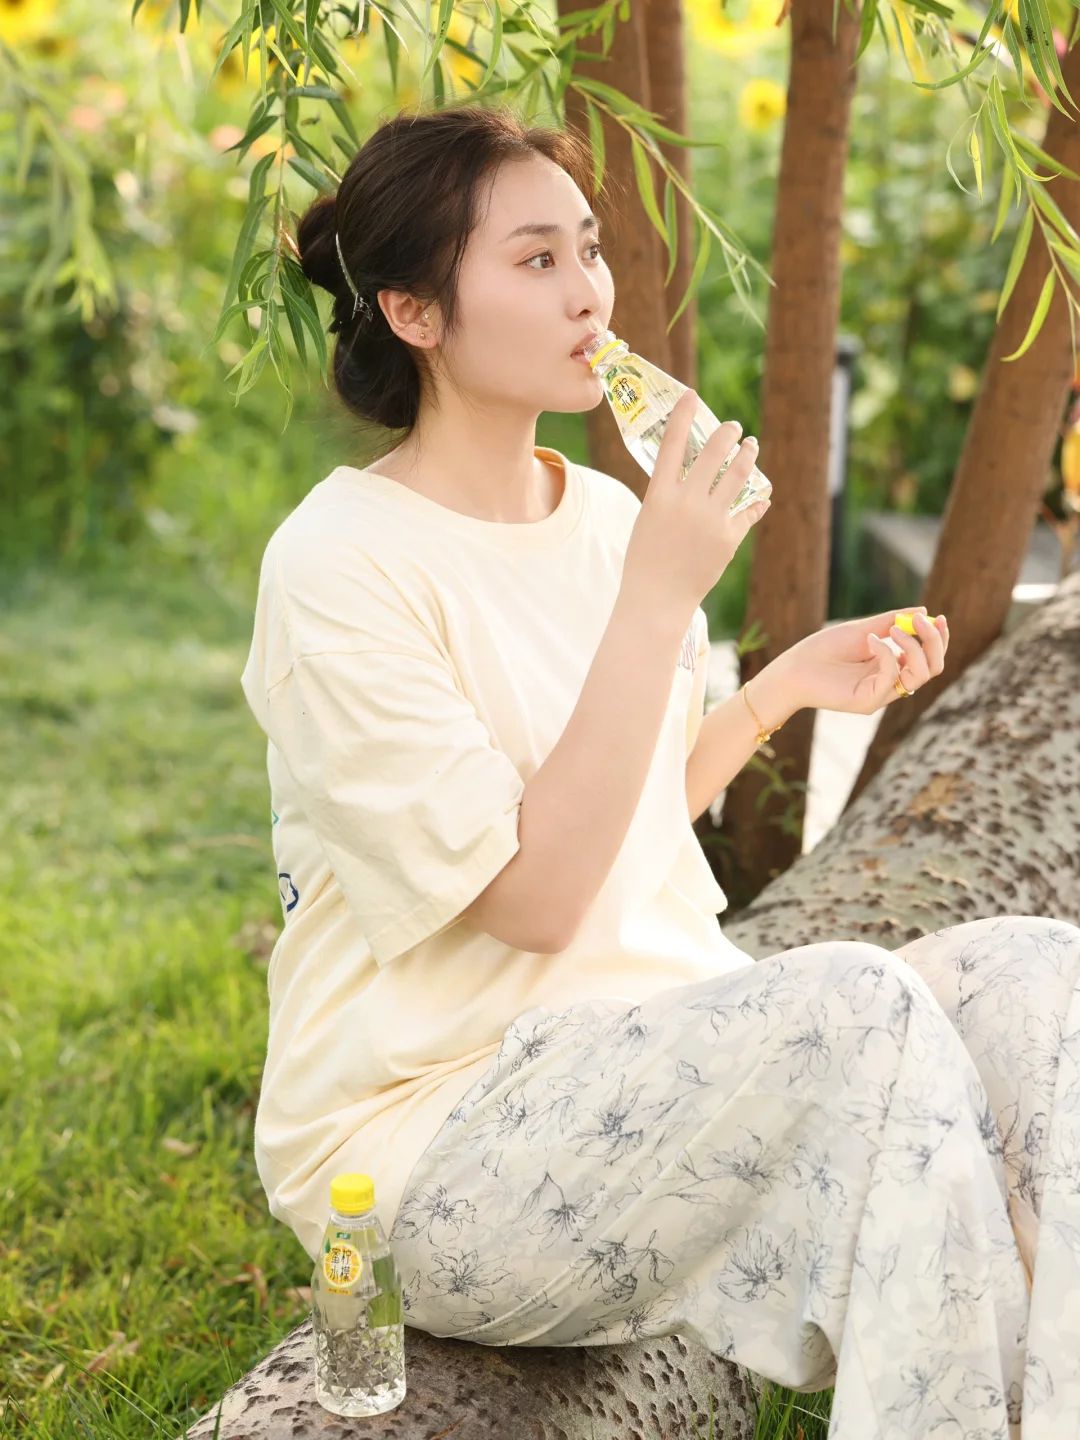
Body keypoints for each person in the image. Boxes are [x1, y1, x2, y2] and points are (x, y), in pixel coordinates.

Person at [239, 103, 1080, 1439]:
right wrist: (658, 595)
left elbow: (629, 818)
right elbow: (533, 900)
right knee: (859, 1004)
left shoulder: (604, 521)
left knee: (1040, 975)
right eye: (535, 260)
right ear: (414, 312)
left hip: (647, 1057)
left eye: (588, 248)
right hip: (443, 1149)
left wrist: (776, 691)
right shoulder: (342, 567)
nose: (590, 292)